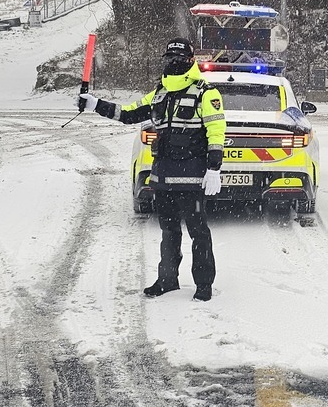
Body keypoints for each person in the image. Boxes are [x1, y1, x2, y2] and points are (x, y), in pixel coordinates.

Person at [78, 38, 225, 300]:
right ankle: (167, 280)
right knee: (169, 232)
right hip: (163, 178)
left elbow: (216, 131)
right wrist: (95, 104)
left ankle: (204, 285)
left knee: (198, 233)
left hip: (193, 179)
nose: (174, 64)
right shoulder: (159, 94)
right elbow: (127, 114)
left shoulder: (206, 93)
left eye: (179, 60)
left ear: (191, 61)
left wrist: (214, 168)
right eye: (170, 59)